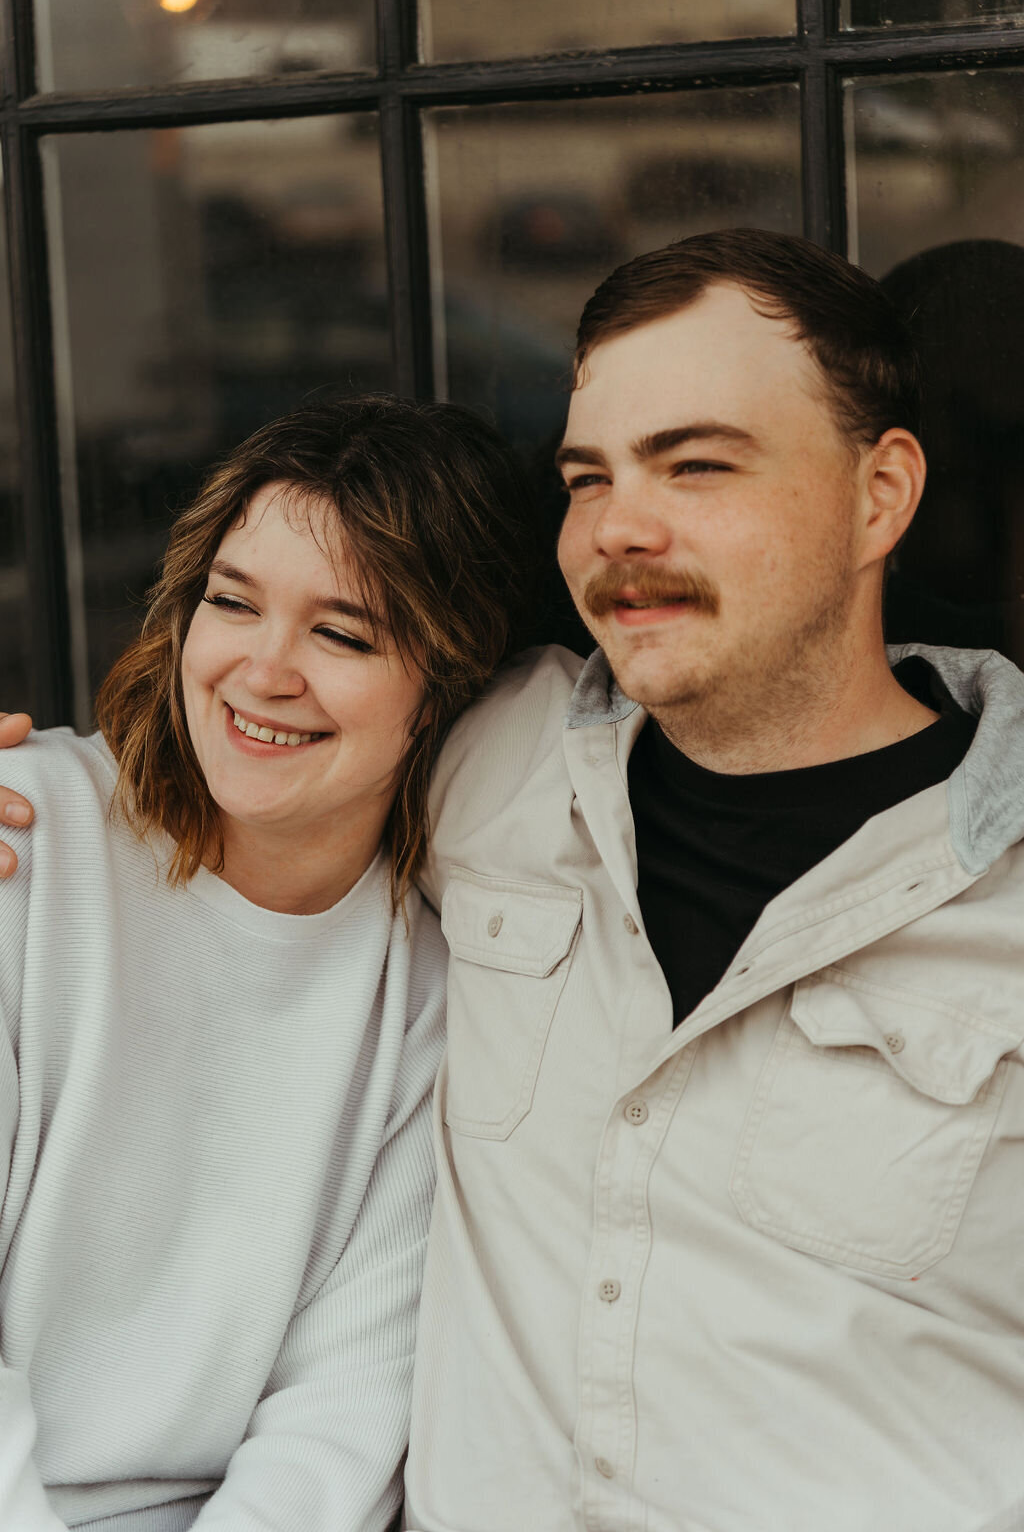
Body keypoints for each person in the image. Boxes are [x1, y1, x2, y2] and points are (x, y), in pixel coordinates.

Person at [5, 230, 1024, 1532]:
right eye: (588, 475)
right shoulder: (499, 766)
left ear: (880, 493)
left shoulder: (999, 889)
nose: (622, 527)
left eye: (696, 463)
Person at [0, 394, 534, 1530]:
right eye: (231, 603)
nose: (262, 670)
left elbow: (339, 1419)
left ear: (446, 688)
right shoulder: (22, 848)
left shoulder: (438, 994)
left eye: (342, 634)